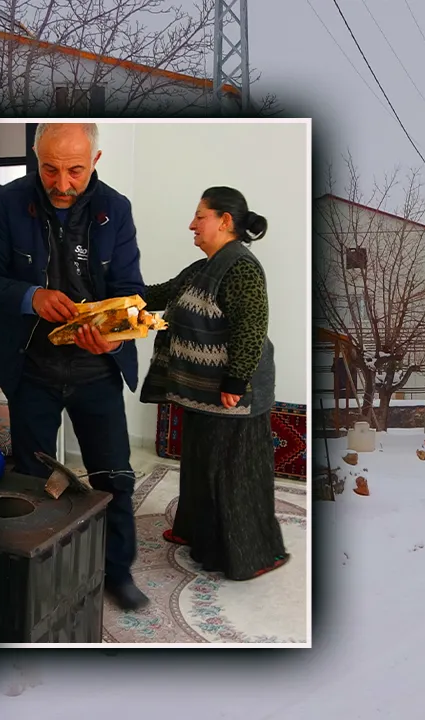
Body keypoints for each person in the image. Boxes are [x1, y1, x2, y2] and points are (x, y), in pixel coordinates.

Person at [0, 123, 150, 611]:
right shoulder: (8, 202)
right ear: (34, 156)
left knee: (114, 476)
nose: (62, 184)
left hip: (96, 371)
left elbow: (131, 289)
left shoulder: (116, 209)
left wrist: (113, 335)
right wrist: (31, 297)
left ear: (96, 160)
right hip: (31, 367)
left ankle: (116, 571)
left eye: (75, 171)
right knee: (33, 478)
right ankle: (41, 575)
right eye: (49, 169)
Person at [139, 186, 290, 581]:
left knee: (231, 473)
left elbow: (251, 327)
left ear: (225, 221)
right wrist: (119, 292)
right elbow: (160, 294)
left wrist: (236, 381)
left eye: (200, 216)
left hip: (232, 394)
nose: (192, 224)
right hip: (201, 391)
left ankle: (250, 554)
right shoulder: (202, 267)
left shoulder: (241, 267)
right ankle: (197, 533)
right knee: (200, 465)